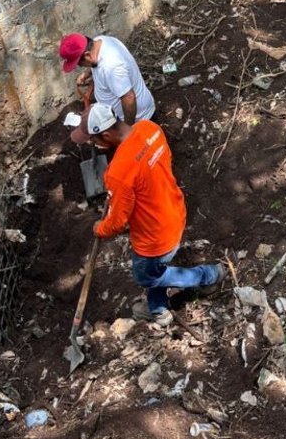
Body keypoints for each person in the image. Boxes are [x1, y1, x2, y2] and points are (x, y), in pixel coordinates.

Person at [80, 102, 223, 327]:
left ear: (106, 135)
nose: (92, 144)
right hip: (174, 210)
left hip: (154, 237)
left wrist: (99, 227)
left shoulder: (118, 173)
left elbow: (117, 223)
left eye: (93, 139)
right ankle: (158, 310)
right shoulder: (149, 128)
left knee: (146, 276)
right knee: (154, 271)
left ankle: (207, 275)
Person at [59, 33, 155, 126]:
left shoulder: (111, 67)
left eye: (79, 64)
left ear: (88, 55)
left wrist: (127, 130)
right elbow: (95, 62)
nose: (80, 66)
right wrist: (86, 73)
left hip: (138, 118)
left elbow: (129, 98)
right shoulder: (99, 41)